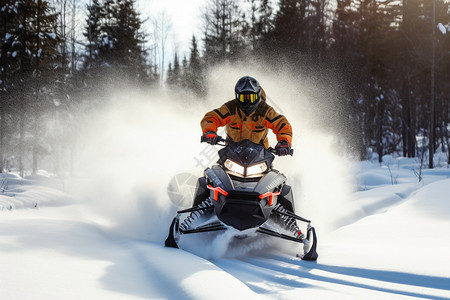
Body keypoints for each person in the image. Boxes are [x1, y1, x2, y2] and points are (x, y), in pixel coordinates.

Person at [201, 76, 292, 156]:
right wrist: (210, 132)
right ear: (237, 96)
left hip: (260, 156)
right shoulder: (230, 108)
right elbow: (211, 118)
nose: (248, 102)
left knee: (274, 175)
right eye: (243, 98)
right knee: (214, 172)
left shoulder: (265, 111)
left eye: (252, 98)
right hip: (231, 154)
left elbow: (282, 124)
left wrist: (284, 142)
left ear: (258, 96)